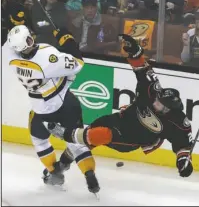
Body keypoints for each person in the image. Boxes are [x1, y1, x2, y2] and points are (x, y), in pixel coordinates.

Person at [47, 34, 194, 178]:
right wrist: (135, 52)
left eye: (160, 105)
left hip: (132, 138)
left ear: (168, 109)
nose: (155, 102)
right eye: (157, 99)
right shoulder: (152, 91)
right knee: (87, 139)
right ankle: (61, 166)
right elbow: (143, 70)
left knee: (103, 134)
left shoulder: (178, 122)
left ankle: (64, 133)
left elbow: (183, 145)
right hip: (121, 119)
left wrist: (183, 162)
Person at [5, 25, 100, 194]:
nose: (31, 37)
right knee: (75, 142)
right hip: (67, 104)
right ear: (28, 41)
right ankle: (89, 172)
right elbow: (78, 62)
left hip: (42, 111)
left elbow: (8, 44)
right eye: (29, 37)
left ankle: (54, 172)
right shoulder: (47, 60)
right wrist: (67, 40)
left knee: (39, 140)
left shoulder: (11, 59)